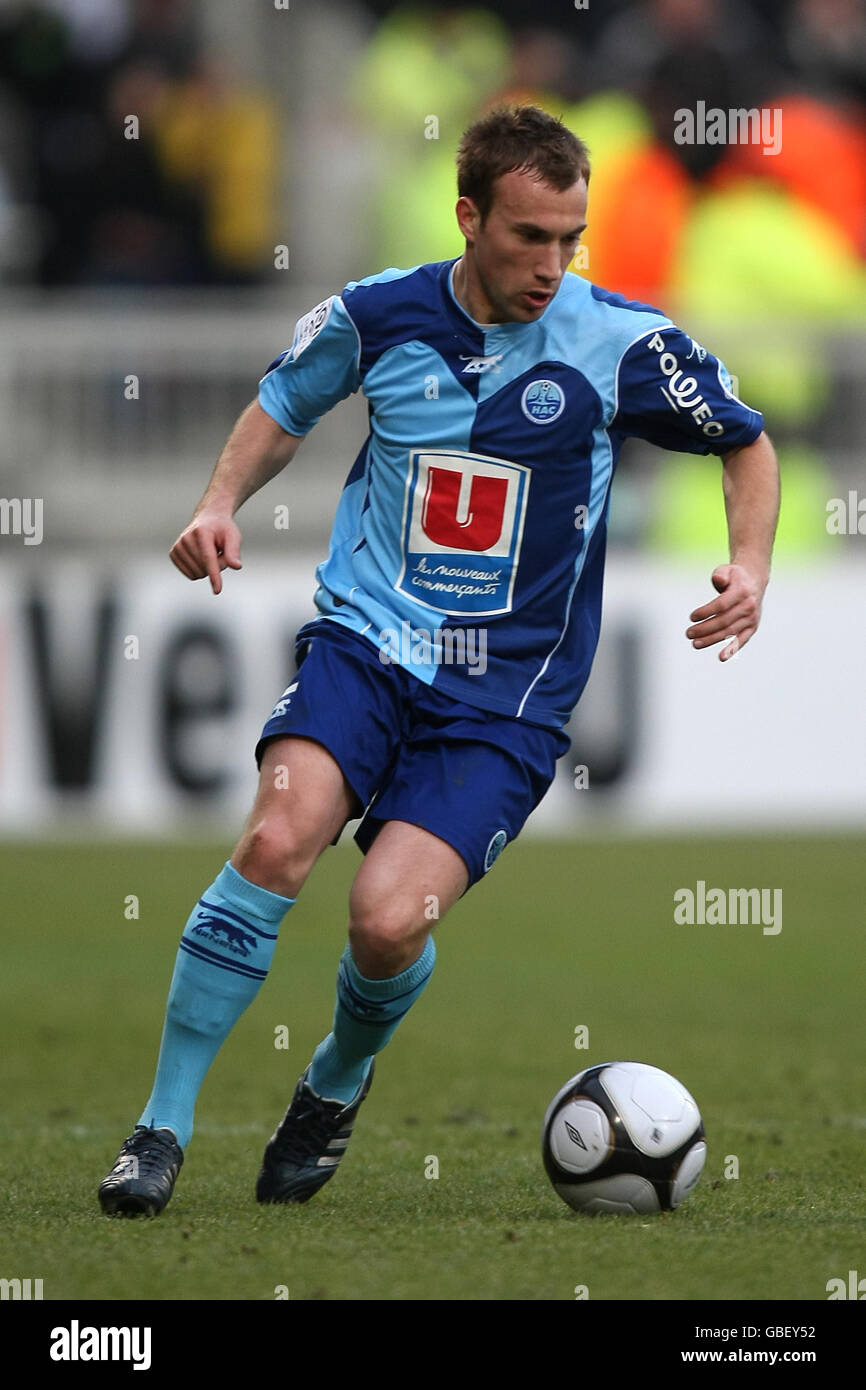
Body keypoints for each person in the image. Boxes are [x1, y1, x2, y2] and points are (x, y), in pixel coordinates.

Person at [98, 105, 779, 1217]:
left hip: (503, 700)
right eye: (527, 238)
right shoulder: (375, 315)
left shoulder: (623, 345)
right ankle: (159, 1129)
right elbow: (282, 403)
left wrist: (746, 567)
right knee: (276, 836)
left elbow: (743, 439)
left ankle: (334, 1079)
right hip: (366, 644)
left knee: (383, 919)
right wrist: (218, 502)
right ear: (468, 218)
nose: (552, 266)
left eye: (570, 239)